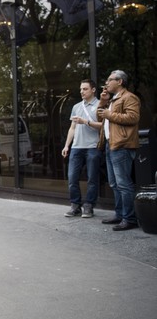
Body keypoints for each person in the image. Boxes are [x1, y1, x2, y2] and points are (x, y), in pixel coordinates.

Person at [97, 70, 141, 231]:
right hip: (111, 144)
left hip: (122, 145)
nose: (106, 83)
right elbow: (100, 117)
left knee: (124, 184)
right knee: (114, 183)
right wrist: (102, 102)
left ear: (120, 81)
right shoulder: (112, 100)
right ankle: (120, 214)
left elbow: (133, 118)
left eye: (110, 80)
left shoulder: (129, 97)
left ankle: (129, 218)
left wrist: (110, 113)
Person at [61, 79, 102, 218]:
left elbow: (103, 126)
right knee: (72, 178)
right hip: (76, 147)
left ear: (93, 90)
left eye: (85, 89)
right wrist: (67, 145)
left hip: (92, 147)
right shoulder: (77, 107)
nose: (82, 92)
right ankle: (75, 206)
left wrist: (85, 122)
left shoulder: (100, 105)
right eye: (80, 89)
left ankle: (89, 206)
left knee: (92, 179)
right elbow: (72, 128)